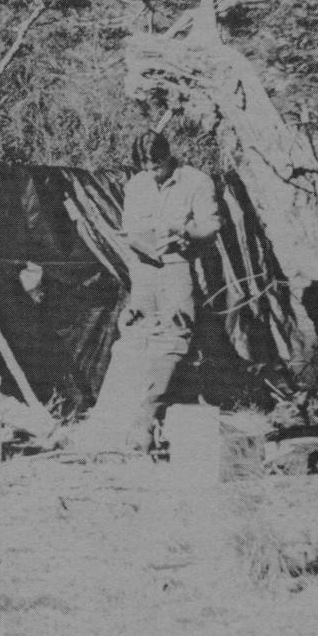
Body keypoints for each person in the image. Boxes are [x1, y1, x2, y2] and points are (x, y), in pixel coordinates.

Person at [117, 130, 220, 453]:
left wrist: (182, 231)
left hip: (178, 265)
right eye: (145, 166)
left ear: (168, 158)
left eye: (156, 166)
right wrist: (144, 245)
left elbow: (211, 226)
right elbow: (130, 229)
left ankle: (148, 418)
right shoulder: (137, 185)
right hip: (144, 268)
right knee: (137, 335)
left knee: (175, 335)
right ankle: (121, 416)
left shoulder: (196, 182)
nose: (151, 172)